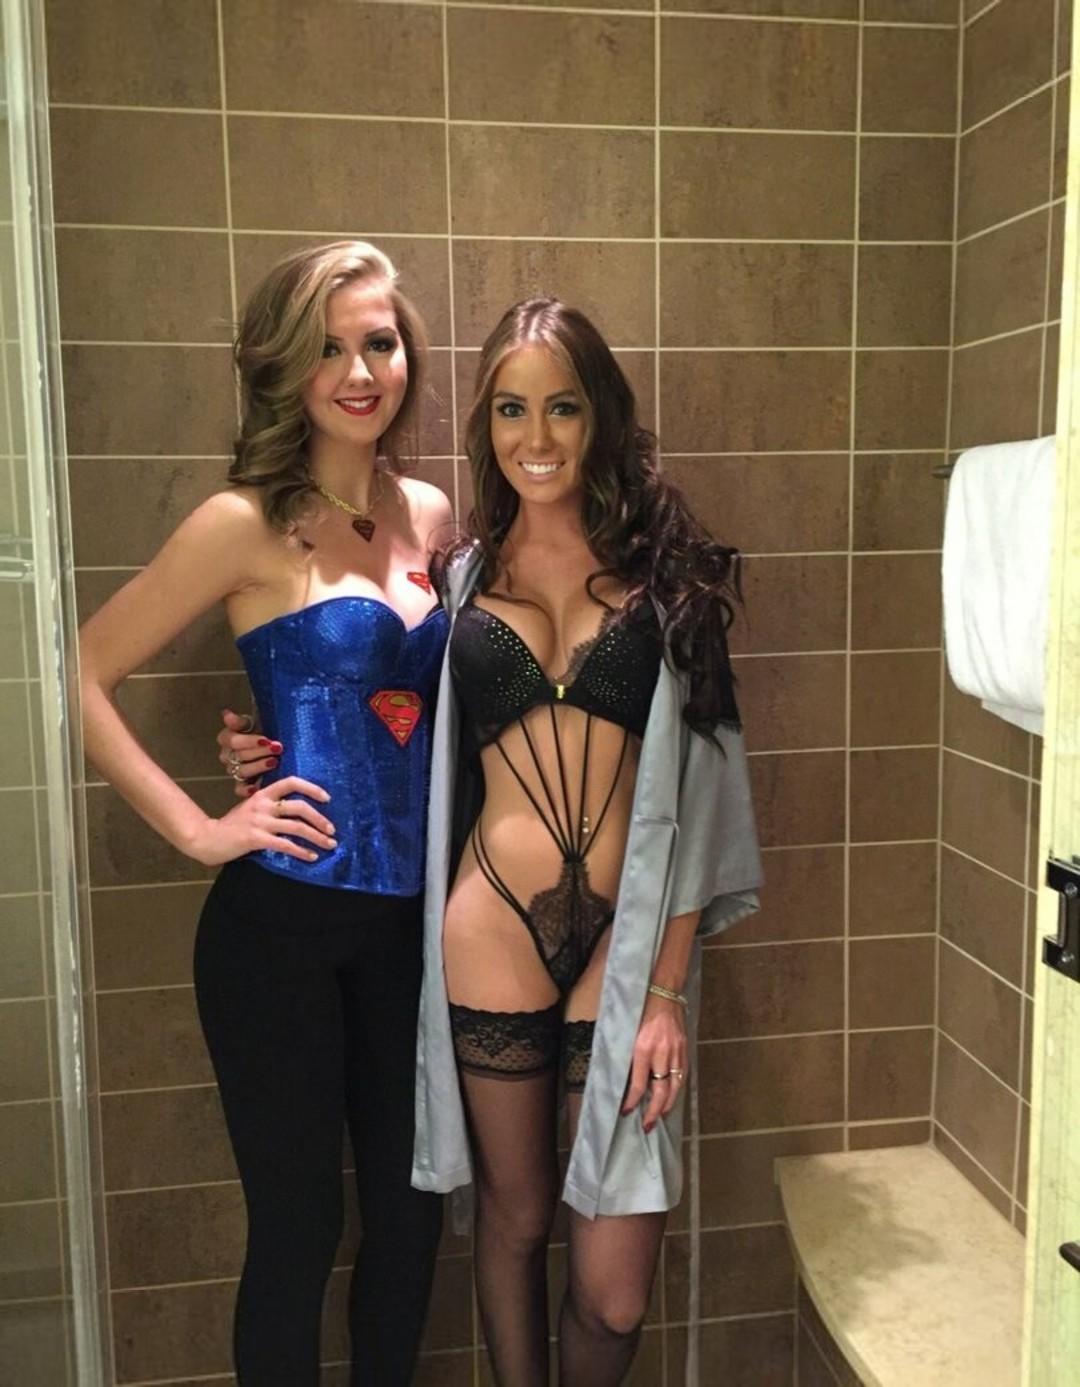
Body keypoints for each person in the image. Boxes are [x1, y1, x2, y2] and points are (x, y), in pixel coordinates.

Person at [78, 241, 450, 1386]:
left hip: (412, 928)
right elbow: (77, 672)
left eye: (378, 343)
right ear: (285, 369)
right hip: (276, 928)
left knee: (414, 1219)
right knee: (298, 1232)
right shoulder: (239, 522)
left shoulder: (432, 513)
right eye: (327, 349)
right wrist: (203, 829)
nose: (358, 372)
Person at [412, 300, 763, 1384]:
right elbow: (376, 711)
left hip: (629, 940)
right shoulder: (459, 576)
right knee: (514, 1222)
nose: (537, 437)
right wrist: (260, 745)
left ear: (600, 415)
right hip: (490, 928)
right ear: (487, 424)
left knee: (613, 1295)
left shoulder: (666, 582)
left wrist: (665, 990)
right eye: (511, 410)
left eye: (562, 407)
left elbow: (709, 787)